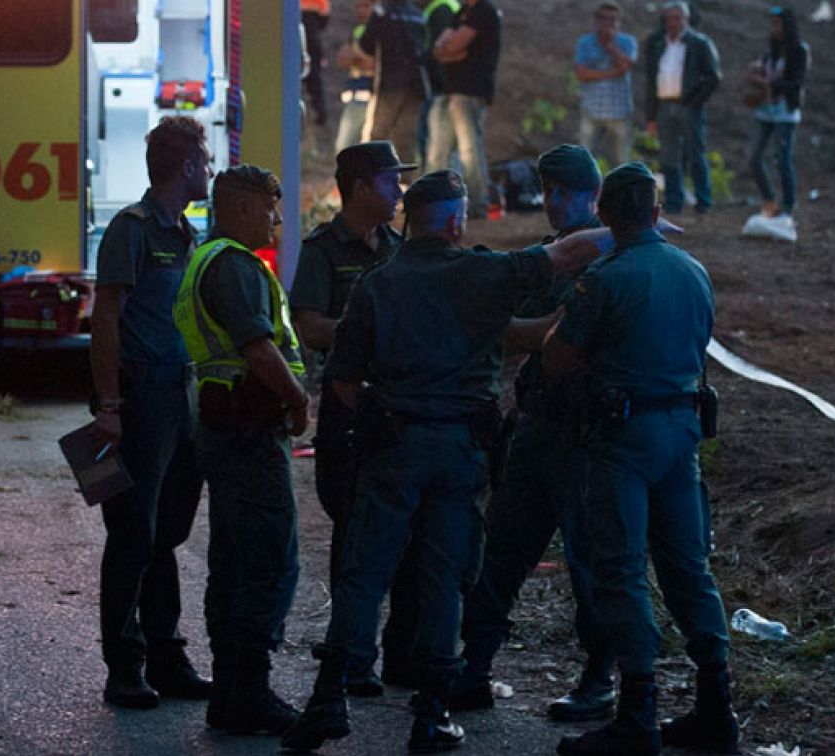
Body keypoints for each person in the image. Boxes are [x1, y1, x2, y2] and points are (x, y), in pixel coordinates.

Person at [280, 171, 619, 755]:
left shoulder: (377, 284)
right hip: (460, 451)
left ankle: (329, 696)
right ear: (456, 222)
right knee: (444, 578)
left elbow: (341, 379)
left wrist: (385, 416)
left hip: (392, 449)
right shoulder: (483, 273)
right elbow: (566, 254)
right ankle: (432, 712)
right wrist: (635, 229)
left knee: (364, 574)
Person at [547, 162, 737, 756]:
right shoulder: (694, 271)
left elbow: (557, 358)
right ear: (656, 213)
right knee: (689, 569)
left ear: (605, 216)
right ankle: (717, 706)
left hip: (622, 438)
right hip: (682, 435)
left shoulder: (604, 279)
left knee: (622, 570)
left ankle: (638, 711)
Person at [450, 145, 615, 723]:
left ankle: (599, 677)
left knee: (588, 563)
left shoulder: (603, 259)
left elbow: (547, 335)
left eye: (565, 192)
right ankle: (474, 665)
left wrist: (512, 330)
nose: (553, 202)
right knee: (501, 551)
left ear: (593, 196)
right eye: (548, 191)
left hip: (582, 432)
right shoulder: (555, 256)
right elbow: (515, 321)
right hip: (538, 425)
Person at [174, 165, 309, 735]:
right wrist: (298, 399)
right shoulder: (234, 265)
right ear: (244, 208)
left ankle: (231, 695)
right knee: (268, 560)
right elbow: (257, 348)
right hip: (249, 432)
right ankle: (248, 693)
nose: (276, 219)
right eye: (270, 208)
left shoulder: (208, 259)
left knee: (232, 559)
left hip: (227, 429)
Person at [88, 117, 212, 710]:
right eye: (205, 161)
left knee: (168, 533)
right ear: (185, 167)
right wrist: (109, 404)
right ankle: (124, 667)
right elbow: (105, 320)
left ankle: (167, 657)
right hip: (141, 400)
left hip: (183, 396)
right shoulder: (131, 230)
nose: (209, 170)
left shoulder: (188, 234)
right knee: (133, 534)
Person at [289, 141, 416, 695]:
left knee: (406, 534)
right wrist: (369, 331)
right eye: (390, 181)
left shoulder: (399, 246)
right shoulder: (323, 250)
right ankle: (351, 658)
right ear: (360, 188)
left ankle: (402, 656)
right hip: (348, 411)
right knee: (353, 532)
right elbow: (309, 325)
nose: (399, 191)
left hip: (398, 408)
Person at [429, 0, 501, 217]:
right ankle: (437, 203)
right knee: (439, 150)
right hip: (452, 89)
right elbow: (441, 48)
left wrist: (451, 49)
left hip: (471, 90)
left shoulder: (484, 10)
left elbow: (454, 44)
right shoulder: (463, 11)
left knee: (469, 149)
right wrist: (450, 51)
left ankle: (479, 205)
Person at [643, 0, 721, 215]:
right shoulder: (659, 44)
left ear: (686, 20)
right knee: (668, 154)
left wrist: (696, 100)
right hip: (664, 104)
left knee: (695, 152)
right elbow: (652, 79)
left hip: (688, 105)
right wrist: (651, 115)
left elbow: (713, 77)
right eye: (669, 19)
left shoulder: (699, 43)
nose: (673, 23)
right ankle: (674, 200)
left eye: (677, 19)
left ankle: (703, 200)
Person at [746, 5, 810, 219]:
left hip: (785, 111)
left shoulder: (799, 51)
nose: (773, 29)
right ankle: (769, 199)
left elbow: (797, 82)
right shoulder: (770, 51)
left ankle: (788, 204)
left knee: (782, 158)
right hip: (764, 110)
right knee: (754, 157)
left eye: (777, 24)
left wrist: (770, 85)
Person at [361, 0, 429, 162]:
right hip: (416, 84)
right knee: (406, 139)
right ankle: (407, 178)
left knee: (377, 135)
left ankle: (372, 175)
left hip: (390, 83)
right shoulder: (418, 14)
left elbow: (367, 44)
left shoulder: (383, 12)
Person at [575, 2, 639, 167]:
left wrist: (611, 47)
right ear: (596, 21)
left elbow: (625, 67)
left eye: (613, 19)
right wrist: (613, 73)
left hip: (620, 111)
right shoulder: (584, 43)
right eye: (604, 18)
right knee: (586, 161)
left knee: (621, 161)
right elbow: (581, 74)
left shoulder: (628, 42)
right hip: (592, 110)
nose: (608, 23)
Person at [418, 0, 461, 169]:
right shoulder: (447, 6)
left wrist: (425, 62)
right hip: (442, 84)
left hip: (439, 85)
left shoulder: (442, 9)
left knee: (431, 138)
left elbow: (440, 49)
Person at [332, 0, 378, 154]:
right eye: (358, 7)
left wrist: (356, 58)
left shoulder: (379, 30)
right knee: (346, 146)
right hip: (355, 92)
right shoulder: (357, 30)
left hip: (371, 93)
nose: (361, 11)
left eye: (366, 6)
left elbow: (373, 63)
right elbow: (342, 59)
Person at [300, 0, 332, 126]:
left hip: (292, 38)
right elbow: (325, 13)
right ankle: (320, 112)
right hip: (312, 39)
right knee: (314, 78)